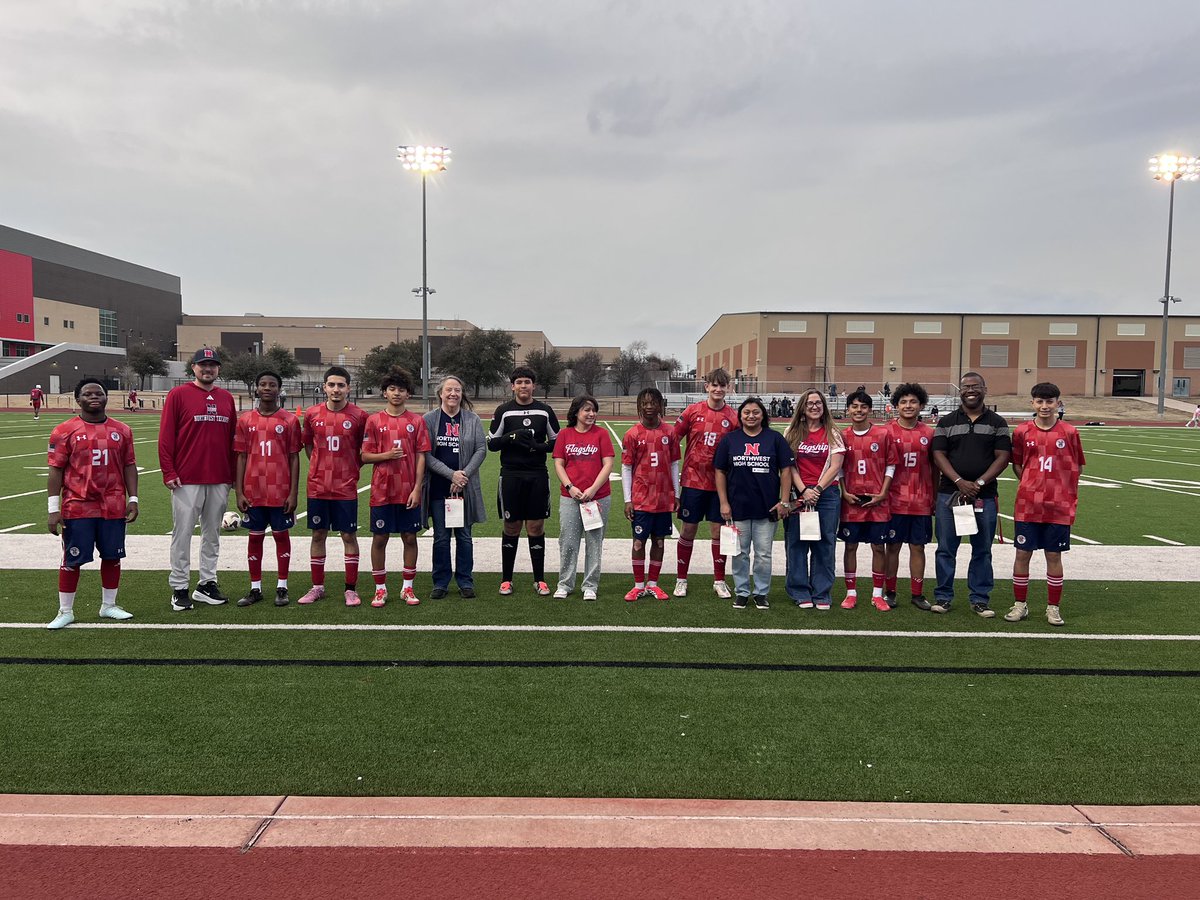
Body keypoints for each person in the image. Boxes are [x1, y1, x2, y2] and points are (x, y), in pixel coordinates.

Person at [45, 378, 139, 629]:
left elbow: (129, 465)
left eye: (99, 393)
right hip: (78, 505)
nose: (94, 396)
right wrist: (53, 509)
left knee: (112, 556)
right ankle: (65, 611)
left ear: (107, 397)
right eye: (88, 394)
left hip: (113, 505)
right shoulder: (64, 430)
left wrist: (133, 499)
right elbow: (55, 470)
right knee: (72, 559)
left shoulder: (122, 430)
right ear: (78, 399)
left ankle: (108, 606)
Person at [159, 347, 237, 611]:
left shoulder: (226, 398)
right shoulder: (178, 394)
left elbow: (232, 439)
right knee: (182, 534)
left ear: (218, 369)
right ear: (193, 367)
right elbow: (166, 436)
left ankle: (207, 584)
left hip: (219, 477)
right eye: (203, 364)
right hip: (187, 478)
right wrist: (168, 471)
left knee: (212, 534)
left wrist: (233, 476)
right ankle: (180, 587)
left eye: (212, 365)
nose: (208, 369)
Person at [930, 372, 1012, 617]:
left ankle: (979, 599)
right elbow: (938, 455)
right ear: (961, 391)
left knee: (982, 550)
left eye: (975, 386)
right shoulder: (946, 422)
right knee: (946, 548)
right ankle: (943, 596)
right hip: (949, 495)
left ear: (985, 389)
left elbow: (1003, 457)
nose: (970, 390)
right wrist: (959, 481)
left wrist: (979, 482)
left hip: (983, 496)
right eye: (966, 387)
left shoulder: (998, 422)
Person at [1006, 383, 1086, 627]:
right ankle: (1020, 605)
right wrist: (1032, 484)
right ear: (1032, 403)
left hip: (1058, 506)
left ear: (1058, 403)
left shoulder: (1069, 432)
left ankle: (1053, 608)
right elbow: (1017, 465)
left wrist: (1059, 488)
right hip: (1028, 505)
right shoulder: (1022, 431)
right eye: (1040, 401)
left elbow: (1078, 467)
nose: (1044, 406)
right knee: (1022, 553)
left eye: (1049, 401)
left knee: (1053, 554)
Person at [487, 366, 561, 596]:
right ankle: (506, 580)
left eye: (527, 382)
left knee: (536, 526)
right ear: (512, 386)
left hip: (537, 474)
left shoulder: (544, 411)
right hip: (511, 475)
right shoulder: (504, 411)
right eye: (519, 382)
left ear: (533, 385)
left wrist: (539, 446)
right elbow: (492, 444)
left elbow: (557, 442)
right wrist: (511, 436)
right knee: (512, 526)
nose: (523, 386)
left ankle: (539, 580)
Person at [298, 366, 369, 607]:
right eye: (331, 385)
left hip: (345, 486)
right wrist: (320, 466)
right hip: (318, 486)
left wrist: (350, 468)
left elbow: (364, 450)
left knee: (348, 535)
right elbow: (309, 446)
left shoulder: (359, 416)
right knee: (318, 534)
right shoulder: (312, 414)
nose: (336, 389)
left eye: (340, 385)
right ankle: (317, 587)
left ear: (348, 388)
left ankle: (351, 589)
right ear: (324, 387)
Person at [714, 397, 793, 610]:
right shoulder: (730, 440)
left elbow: (786, 470)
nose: (751, 416)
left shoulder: (774, 438)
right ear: (740, 416)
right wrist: (723, 502)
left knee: (763, 554)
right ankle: (741, 592)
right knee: (740, 553)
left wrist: (784, 501)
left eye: (756, 412)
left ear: (763, 415)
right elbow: (720, 471)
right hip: (737, 507)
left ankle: (761, 592)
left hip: (767, 508)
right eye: (746, 412)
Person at [361, 367, 430, 607]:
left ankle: (407, 588)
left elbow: (421, 456)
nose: (397, 393)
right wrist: (387, 455)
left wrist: (417, 488)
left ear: (408, 394)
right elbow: (364, 456)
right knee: (380, 538)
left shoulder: (417, 421)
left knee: (410, 537)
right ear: (384, 393)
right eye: (392, 389)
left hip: (408, 490)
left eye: (401, 389)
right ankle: (380, 589)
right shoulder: (373, 421)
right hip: (382, 490)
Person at [233, 371, 302, 608]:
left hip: (280, 491)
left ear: (279, 390)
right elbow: (241, 456)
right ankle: (255, 588)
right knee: (255, 538)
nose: (267, 388)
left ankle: (282, 586)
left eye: (272, 385)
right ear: (256, 388)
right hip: (253, 491)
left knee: (281, 536)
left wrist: (293, 493)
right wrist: (239, 491)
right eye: (262, 384)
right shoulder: (245, 420)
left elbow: (294, 457)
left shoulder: (289, 420)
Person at [671, 367, 738, 598]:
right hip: (693, 481)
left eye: (722, 385)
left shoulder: (733, 417)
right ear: (706, 386)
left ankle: (719, 580)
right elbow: (673, 438)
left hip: (720, 485)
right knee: (688, 529)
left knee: (718, 532)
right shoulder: (692, 411)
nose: (718, 389)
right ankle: (681, 579)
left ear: (728, 387)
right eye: (714, 385)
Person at [423, 374, 487, 599]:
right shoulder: (429, 419)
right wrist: (451, 475)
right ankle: (440, 582)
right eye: (449, 390)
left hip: (464, 489)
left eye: (457, 390)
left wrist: (463, 476)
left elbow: (481, 450)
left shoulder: (472, 419)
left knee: (464, 537)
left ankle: (465, 581)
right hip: (439, 488)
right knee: (441, 537)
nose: (453, 394)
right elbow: (426, 454)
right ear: (440, 393)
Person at [783, 390, 845, 610]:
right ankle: (799, 590)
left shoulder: (833, 432)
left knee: (825, 543)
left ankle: (821, 592)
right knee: (796, 543)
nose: (814, 406)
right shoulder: (792, 432)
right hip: (799, 494)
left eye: (818, 403)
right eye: (810, 403)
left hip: (826, 495)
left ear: (824, 406)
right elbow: (789, 465)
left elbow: (836, 466)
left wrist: (817, 489)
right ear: (802, 406)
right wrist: (804, 490)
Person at [838, 390, 897, 611]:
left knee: (878, 547)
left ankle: (877, 595)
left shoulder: (883, 434)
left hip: (877, 500)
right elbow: (838, 468)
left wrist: (883, 493)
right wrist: (844, 492)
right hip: (852, 500)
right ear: (848, 409)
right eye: (854, 406)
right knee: (850, 546)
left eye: (863, 406)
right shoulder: (842, 436)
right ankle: (851, 593)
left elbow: (891, 465)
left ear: (870, 409)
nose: (859, 410)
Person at [552, 394, 615, 600]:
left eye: (594, 410)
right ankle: (565, 584)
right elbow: (559, 463)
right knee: (568, 542)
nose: (591, 414)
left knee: (594, 542)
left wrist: (593, 489)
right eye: (587, 410)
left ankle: (590, 585)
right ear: (576, 412)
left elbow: (608, 464)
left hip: (597, 498)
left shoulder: (601, 434)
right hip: (570, 497)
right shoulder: (565, 434)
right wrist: (570, 487)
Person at [622, 387, 681, 601]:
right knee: (638, 542)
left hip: (663, 498)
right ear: (639, 406)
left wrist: (676, 494)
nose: (649, 407)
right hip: (641, 499)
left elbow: (674, 464)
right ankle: (638, 585)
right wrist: (628, 500)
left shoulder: (670, 432)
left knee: (659, 542)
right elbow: (626, 468)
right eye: (644, 403)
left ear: (660, 405)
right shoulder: (632, 434)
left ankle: (653, 584)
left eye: (653, 402)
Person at [884, 383, 936, 610]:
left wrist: (934, 496)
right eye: (903, 402)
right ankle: (890, 591)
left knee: (918, 547)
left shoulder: (929, 433)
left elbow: (935, 468)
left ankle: (917, 593)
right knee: (892, 546)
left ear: (921, 405)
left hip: (920, 500)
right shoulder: (886, 431)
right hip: (893, 500)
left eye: (913, 401)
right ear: (896, 406)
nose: (908, 405)